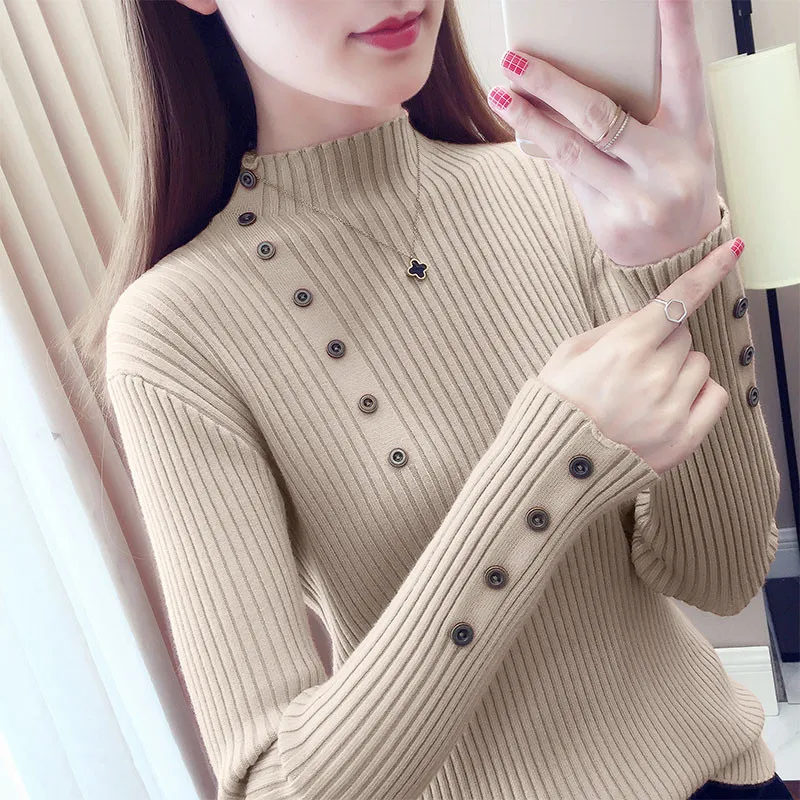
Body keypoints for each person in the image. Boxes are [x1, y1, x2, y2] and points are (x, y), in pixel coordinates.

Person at [73, 0, 789, 797]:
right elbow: (275, 785)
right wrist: (554, 458)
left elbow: (720, 575)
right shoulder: (175, 332)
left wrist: (682, 257)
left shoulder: (563, 188)